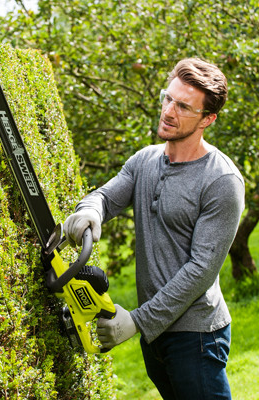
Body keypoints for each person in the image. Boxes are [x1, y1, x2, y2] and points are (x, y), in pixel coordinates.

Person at [63, 58, 244, 400]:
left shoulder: (221, 180)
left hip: (196, 336)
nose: (169, 111)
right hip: (156, 334)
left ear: (208, 118)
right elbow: (106, 197)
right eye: (168, 98)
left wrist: (138, 321)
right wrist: (90, 211)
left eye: (183, 107)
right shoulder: (145, 160)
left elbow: (201, 270)